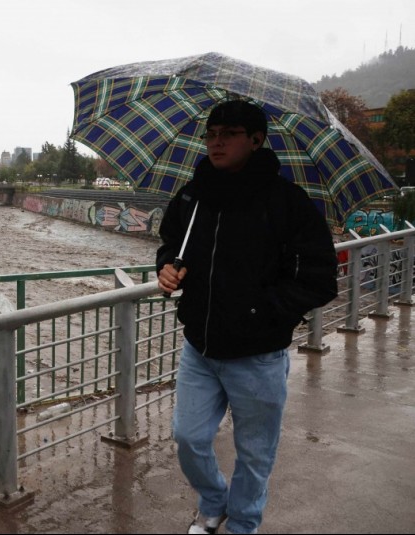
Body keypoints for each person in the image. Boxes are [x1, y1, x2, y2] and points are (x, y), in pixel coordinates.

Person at [156, 100, 338, 534]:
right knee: (189, 438)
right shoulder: (192, 196)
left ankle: (243, 524)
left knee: (255, 453)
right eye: (210, 133)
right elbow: (169, 246)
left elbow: (319, 280)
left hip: (258, 356)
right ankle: (215, 501)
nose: (216, 141)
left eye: (229, 133)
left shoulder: (287, 203)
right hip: (199, 346)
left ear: (256, 140)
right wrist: (167, 267)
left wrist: (262, 312)